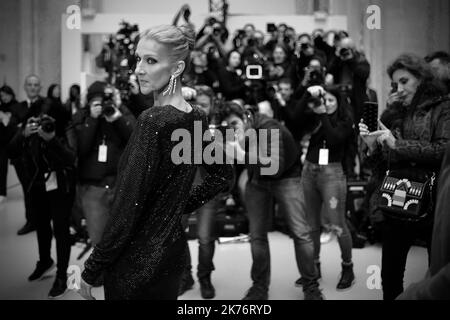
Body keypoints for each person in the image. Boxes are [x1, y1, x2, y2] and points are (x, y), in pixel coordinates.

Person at [79, 24, 233, 300]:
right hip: (171, 255)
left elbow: (126, 208)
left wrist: (92, 270)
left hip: (135, 263)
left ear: (176, 69)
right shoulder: (196, 116)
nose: (139, 68)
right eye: (138, 58)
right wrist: (174, 208)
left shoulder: (152, 122)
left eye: (151, 60)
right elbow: (222, 175)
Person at [359, 54, 450, 300]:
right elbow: (380, 166)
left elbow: (443, 150)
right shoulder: (393, 112)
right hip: (397, 198)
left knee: (436, 275)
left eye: (404, 81)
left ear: (421, 79)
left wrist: (397, 144)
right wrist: (372, 146)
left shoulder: (443, 107)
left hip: (432, 203)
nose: (398, 89)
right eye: (395, 84)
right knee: (390, 277)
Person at [219, 102, 324, 300]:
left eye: (234, 123)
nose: (232, 130)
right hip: (258, 179)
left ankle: (311, 285)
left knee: (300, 232)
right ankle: (259, 287)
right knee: (257, 235)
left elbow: (275, 166)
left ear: (246, 117)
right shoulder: (237, 135)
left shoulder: (269, 127)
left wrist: (241, 155)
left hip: (286, 176)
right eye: (227, 127)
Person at [7, 89, 77, 298]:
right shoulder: (30, 129)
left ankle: (62, 276)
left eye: (47, 118)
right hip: (37, 185)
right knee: (41, 226)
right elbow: (10, 152)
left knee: (61, 230)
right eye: (40, 119)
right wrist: (23, 134)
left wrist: (52, 138)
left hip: (61, 187)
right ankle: (45, 261)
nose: (44, 122)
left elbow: (71, 158)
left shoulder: (66, 127)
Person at [295, 85, 356, 290]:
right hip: (309, 171)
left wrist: (323, 116)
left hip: (332, 174)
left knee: (337, 224)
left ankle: (348, 268)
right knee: (311, 226)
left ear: (339, 102)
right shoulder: (315, 116)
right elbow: (294, 117)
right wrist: (307, 95)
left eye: (331, 100)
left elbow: (334, 139)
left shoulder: (345, 121)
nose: (327, 104)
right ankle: (314, 268)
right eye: (324, 100)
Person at [396, 142, 450, 300]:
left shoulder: (442, 117)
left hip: (428, 203)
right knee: (391, 273)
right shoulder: (394, 117)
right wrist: (373, 148)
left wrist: (397, 145)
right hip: (397, 203)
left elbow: (439, 148)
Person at [9, 75, 46, 235]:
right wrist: (22, 132)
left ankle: (44, 222)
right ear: (25, 87)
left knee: (45, 191)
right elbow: (10, 134)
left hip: (43, 157)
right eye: (30, 84)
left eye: (36, 84)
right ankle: (31, 221)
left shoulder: (47, 105)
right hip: (22, 159)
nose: (32, 87)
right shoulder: (17, 108)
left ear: (40, 87)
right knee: (28, 190)